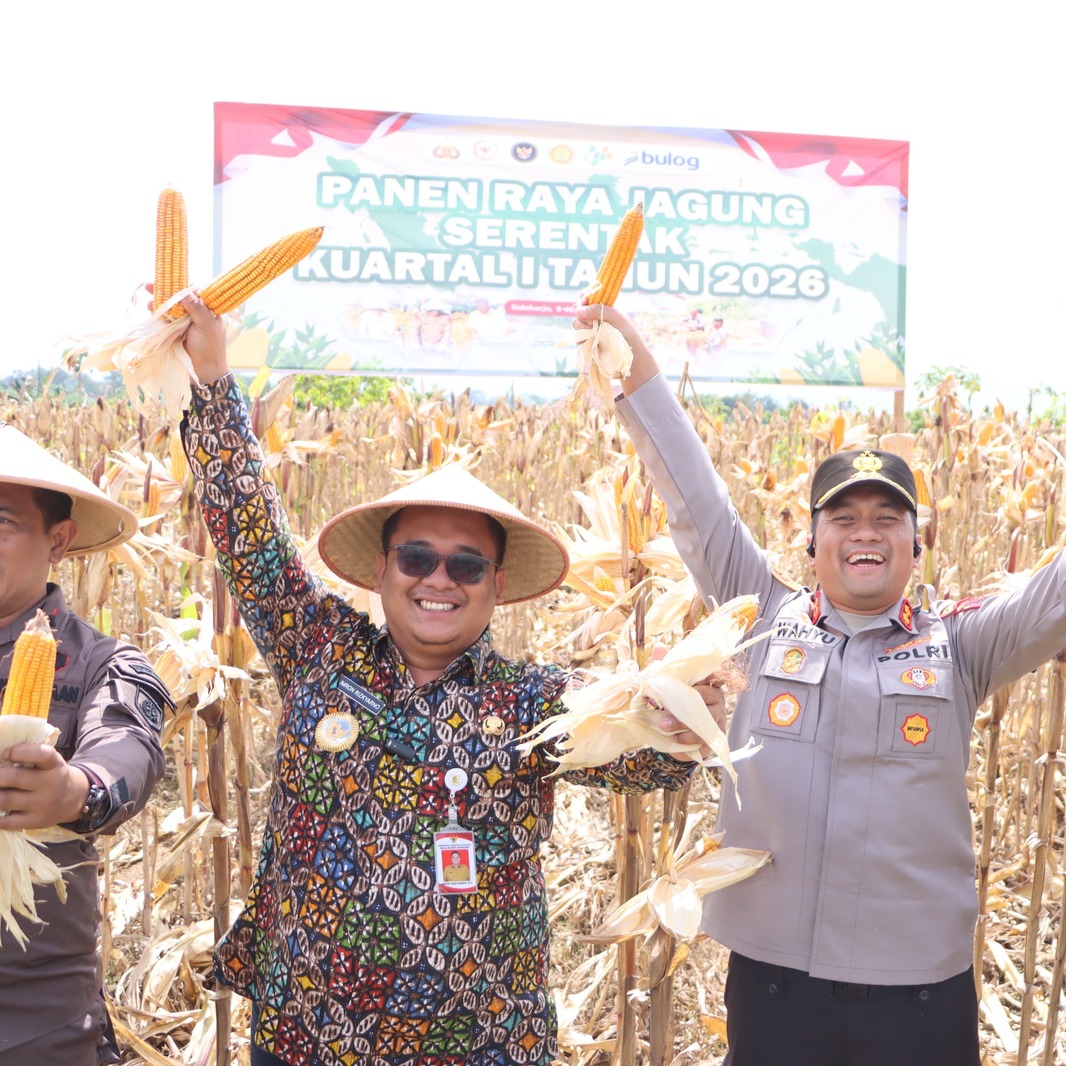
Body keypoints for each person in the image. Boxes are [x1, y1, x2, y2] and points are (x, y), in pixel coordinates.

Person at [574, 301, 1066, 1066]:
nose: (866, 531)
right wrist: (632, 366)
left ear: (916, 546)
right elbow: (694, 496)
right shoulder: (758, 616)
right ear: (812, 540)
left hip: (918, 993)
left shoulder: (962, 643)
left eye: (888, 518)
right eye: (844, 516)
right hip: (774, 983)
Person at [175, 295, 723, 1066]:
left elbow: (643, 753)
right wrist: (211, 380)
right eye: (417, 558)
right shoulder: (317, 649)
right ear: (381, 569)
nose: (439, 579)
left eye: (466, 565)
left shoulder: (532, 702)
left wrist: (679, 717)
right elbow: (247, 527)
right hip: (306, 1034)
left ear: (496, 585)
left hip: (479, 1044)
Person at [0, 425, 170, 1065]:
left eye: (1, 521)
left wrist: (73, 790)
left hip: (31, 1014)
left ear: (58, 540)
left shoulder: (107, 664)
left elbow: (126, 751)